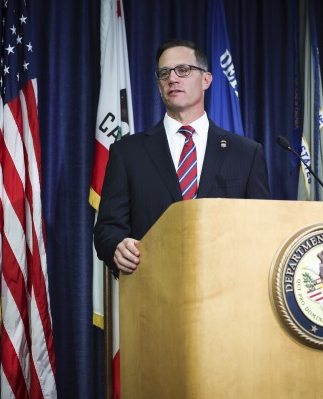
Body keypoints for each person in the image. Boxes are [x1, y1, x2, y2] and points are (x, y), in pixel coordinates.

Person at [94, 38, 271, 275]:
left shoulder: (246, 153)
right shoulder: (127, 152)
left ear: (206, 79)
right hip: (152, 291)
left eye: (183, 70)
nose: (172, 78)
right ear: (159, 86)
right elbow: (107, 229)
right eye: (164, 73)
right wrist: (117, 246)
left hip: (226, 292)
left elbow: (261, 228)